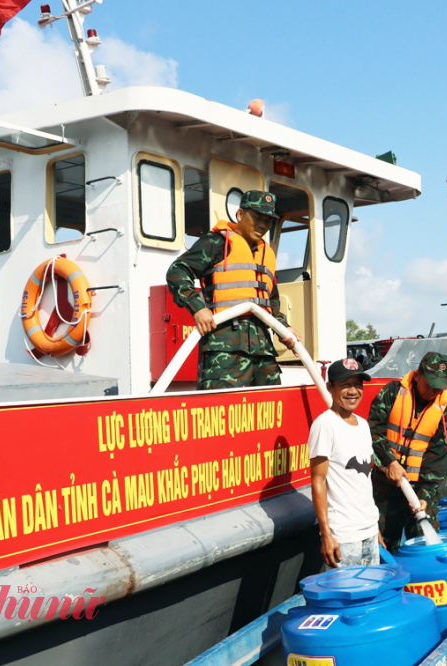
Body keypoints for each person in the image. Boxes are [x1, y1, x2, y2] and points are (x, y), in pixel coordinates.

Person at [166, 190, 299, 389]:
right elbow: (177, 271)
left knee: (270, 412)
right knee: (222, 414)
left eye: (268, 220)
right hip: (225, 350)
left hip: (264, 352)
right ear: (239, 215)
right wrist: (198, 308)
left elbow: (271, 301)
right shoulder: (216, 243)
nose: (262, 225)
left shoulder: (267, 255)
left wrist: (283, 328)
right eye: (257, 217)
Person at [369, 352, 447, 552]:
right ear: (417, 375)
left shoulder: (445, 414)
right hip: (385, 485)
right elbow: (374, 429)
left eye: (439, 387)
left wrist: (424, 496)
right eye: (429, 384)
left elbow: (439, 459)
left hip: (419, 489)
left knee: (426, 545)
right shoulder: (392, 392)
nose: (433, 390)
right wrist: (390, 462)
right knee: (383, 544)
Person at [308, 359, 381, 568]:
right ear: (330, 387)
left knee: (370, 596)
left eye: (358, 384)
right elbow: (318, 481)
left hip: (369, 531)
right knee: (348, 598)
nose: (353, 391)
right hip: (344, 537)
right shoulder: (325, 424)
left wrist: (374, 526)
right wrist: (326, 535)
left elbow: (363, 480)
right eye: (345, 384)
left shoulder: (363, 425)